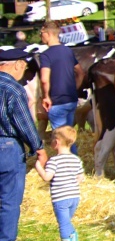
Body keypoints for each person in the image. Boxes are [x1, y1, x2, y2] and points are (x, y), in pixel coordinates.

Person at [0, 48, 48, 241]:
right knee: (8, 200)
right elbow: (24, 123)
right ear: (18, 64)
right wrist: (39, 147)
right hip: (6, 146)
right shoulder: (13, 88)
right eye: (25, 67)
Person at [34, 126, 84, 241]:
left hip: (60, 198)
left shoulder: (54, 161)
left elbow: (47, 177)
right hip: (74, 196)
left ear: (56, 142)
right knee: (67, 221)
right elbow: (80, 178)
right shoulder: (76, 159)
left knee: (63, 224)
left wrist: (38, 167)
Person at [38, 21, 84, 155]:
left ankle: (68, 164)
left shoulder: (45, 55)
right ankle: (74, 161)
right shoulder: (68, 51)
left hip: (56, 101)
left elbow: (44, 79)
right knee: (68, 137)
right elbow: (80, 72)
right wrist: (75, 88)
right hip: (71, 99)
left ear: (48, 33)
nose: (41, 36)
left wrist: (46, 96)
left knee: (61, 139)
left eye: (41, 33)